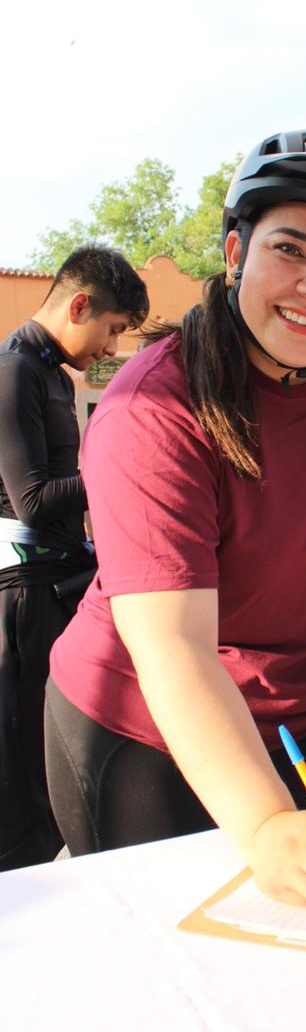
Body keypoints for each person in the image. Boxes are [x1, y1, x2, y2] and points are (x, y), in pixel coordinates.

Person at [44, 127, 306, 905]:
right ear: (234, 253)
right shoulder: (153, 409)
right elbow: (174, 647)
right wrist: (264, 825)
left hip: (304, 714)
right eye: (290, 250)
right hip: (146, 726)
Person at [0, 246, 148, 871]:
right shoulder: (15, 370)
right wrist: (128, 466)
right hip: (25, 595)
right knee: (26, 782)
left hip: (64, 582)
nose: (111, 349)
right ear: (79, 305)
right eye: (112, 329)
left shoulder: (55, 375)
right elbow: (33, 500)